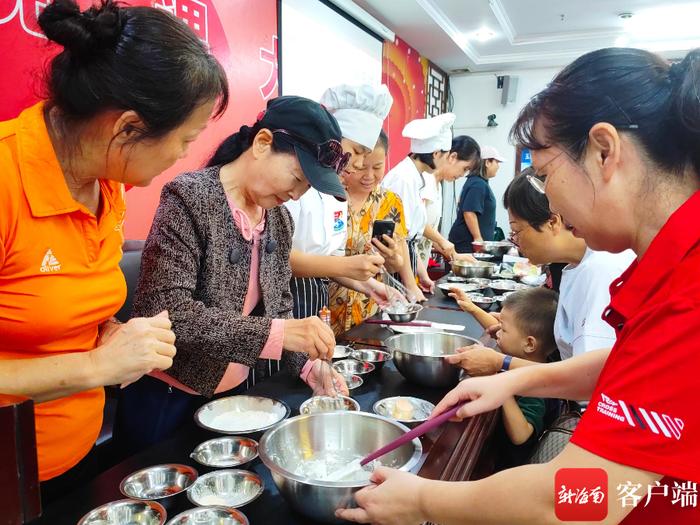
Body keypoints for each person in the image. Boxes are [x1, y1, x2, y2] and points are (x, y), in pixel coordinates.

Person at [337, 46, 700, 524]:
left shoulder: (688, 293)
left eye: (545, 174)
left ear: (605, 151)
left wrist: (424, 500)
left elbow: (575, 498)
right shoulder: (673, 263)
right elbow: (634, 366)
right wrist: (521, 376)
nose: (547, 199)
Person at [0, 0, 227, 499]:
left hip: (76, 455)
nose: (183, 157)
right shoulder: (6, 179)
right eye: (184, 140)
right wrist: (100, 367)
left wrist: (116, 333)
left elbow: (69, 308)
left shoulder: (108, 187)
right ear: (126, 128)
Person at [116, 96, 349, 452]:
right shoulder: (190, 197)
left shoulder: (278, 220)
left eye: (307, 188)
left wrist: (306, 367)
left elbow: (279, 307)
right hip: (166, 397)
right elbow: (168, 312)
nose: (296, 194)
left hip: (237, 399)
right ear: (262, 143)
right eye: (298, 177)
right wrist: (279, 333)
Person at [448, 171, 635, 377]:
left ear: (553, 222)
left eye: (516, 232)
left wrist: (502, 363)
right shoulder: (576, 266)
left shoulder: (600, 271)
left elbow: (589, 377)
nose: (516, 242)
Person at [285, 84, 393, 320]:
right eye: (357, 151)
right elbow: (281, 256)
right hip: (285, 294)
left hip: (316, 297)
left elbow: (332, 258)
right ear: (334, 139)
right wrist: (347, 266)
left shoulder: (338, 192)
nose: (358, 165)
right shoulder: (295, 181)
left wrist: (369, 286)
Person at [453, 286, 559, 468]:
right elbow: (510, 333)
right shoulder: (532, 358)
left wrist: (500, 384)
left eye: (503, 329)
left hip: (512, 468)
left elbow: (521, 435)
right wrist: (472, 308)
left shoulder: (535, 387)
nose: (496, 332)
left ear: (529, 343)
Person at [329, 130, 412, 334]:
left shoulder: (390, 202)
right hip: (326, 307)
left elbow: (396, 262)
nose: (369, 176)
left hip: (369, 307)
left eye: (377, 167)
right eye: (361, 167)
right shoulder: (330, 197)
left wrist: (394, 259)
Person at [382, 113, 456, 294]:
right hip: (396, 261)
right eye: (446, 156)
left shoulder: (415, 177)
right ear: (436, 153)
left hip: (407, 259)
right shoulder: (403, 179)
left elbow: (412, 237)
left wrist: (422, 275)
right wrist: (410, 285)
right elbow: (400, 238)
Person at [416, 135, 481, 268]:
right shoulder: (426, 180)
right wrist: (443, 241)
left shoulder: (438, 186)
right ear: (452, 157)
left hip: (419, 265)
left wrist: (455, 255)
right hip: (408, 261)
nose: (462, 175)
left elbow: (430, 232)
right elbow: (417, 222)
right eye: (465, 168)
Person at [448, 145, 505, 253]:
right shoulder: (477, 184)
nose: (498, 166)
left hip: (468, 245)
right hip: (467, 246)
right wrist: (478, 239)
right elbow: (469, 212)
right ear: (487, 162)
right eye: (497, 162)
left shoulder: (478, 182)